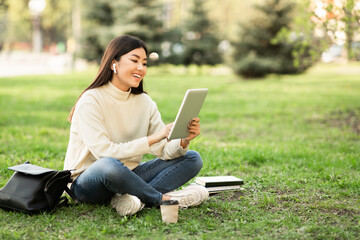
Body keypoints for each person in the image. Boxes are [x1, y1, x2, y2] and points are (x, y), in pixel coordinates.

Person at [63, 35, 208, 216]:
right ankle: (160, 199)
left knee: (192, 158)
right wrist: (154, 137)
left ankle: (132, 199)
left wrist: (183, 141)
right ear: (113, 63)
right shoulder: (91, 100)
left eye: (145, 63)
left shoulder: (144, 102)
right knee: (109, 165)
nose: (141, 68)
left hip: (129, 176)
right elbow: (104, 153)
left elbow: (164, 151)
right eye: (134, 61)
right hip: (87, 182)